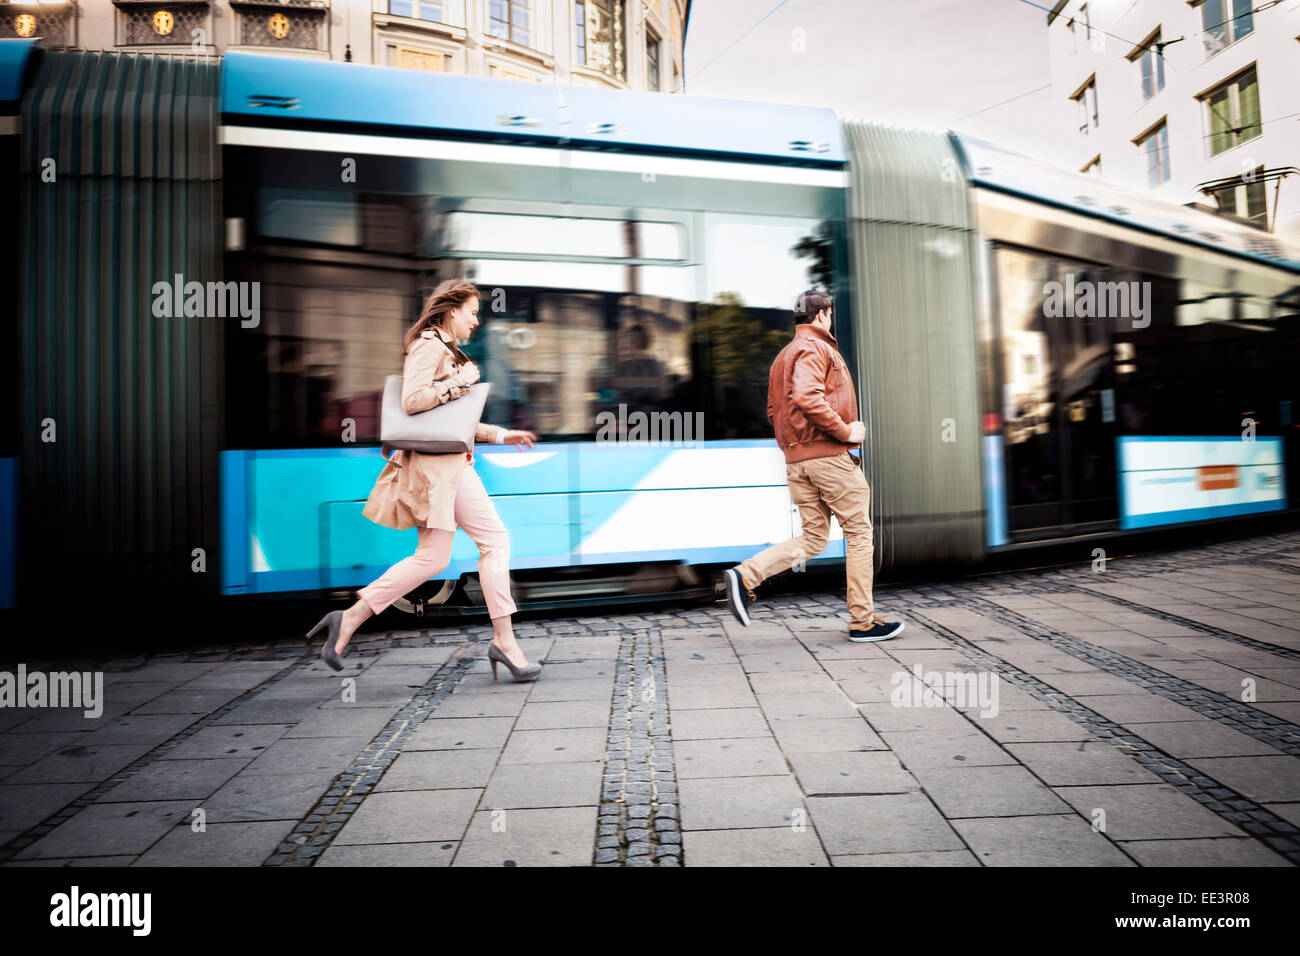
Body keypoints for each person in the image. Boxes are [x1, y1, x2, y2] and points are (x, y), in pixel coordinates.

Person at [306, 279, 543, 681]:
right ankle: (504, 642)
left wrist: (502, 435)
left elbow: (451, 423)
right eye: (472, 312)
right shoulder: (428, 346)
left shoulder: (447, 351)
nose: (476, 321)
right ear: (452, 310)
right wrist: (460, 382)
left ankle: (348, 618)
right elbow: (413, 402)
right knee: (495, 541)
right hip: (442, 470)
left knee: (433, 558)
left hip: (443, 467)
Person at [721, 290, 904, 643]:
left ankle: (746, 576)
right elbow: (807, 397)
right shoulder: (816, 349)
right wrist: (846, 431)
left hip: (798, 463)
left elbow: (775, 413)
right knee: (860, 535)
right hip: (829, 460)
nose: (831, 320)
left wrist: (796, 452)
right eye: (830, 314)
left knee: (814, 538)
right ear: (821, 316)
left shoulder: (781, 358)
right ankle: (862, 622)